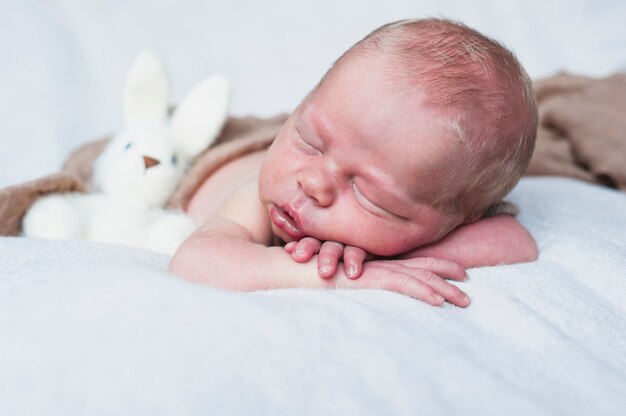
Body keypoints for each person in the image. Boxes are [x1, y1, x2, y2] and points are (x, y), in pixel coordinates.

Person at [168, 18, 539, 307]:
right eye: (310, 142)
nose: (313, 183)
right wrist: (340, 275)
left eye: (368, 195)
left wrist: (391, 255)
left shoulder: (442, 207)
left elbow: (516, 241)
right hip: (222, 158)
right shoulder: (259, 197)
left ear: (453, 221)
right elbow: (197, 263)